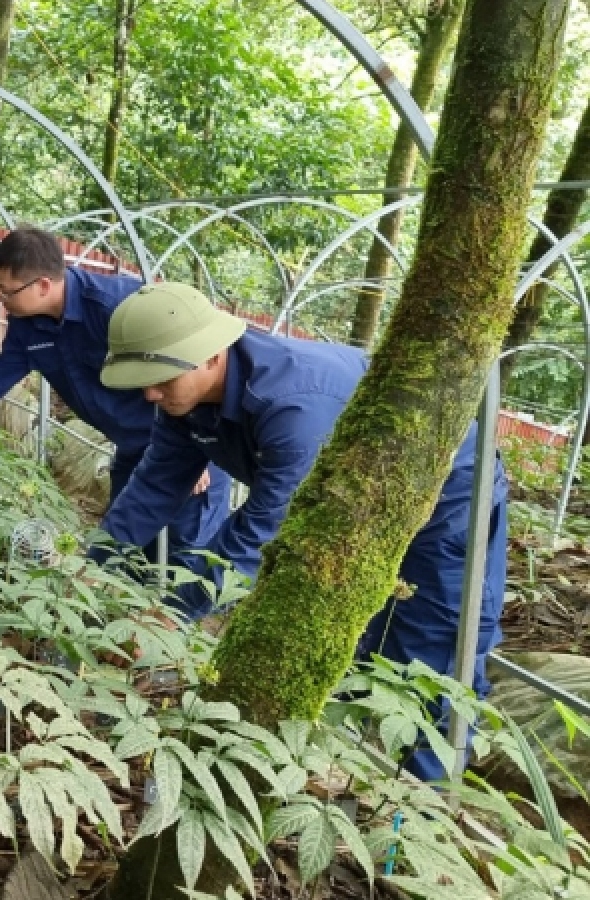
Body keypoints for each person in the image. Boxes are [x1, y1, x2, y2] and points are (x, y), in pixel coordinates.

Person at [93, 281, 508, 780]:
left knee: (434, 642)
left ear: (209, 356)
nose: (150, 393)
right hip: (353, 496)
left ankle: (422, 800)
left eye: (160, 379)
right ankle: (359, 765)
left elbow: (263, 528)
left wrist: (173, 613)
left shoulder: (294, 405)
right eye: (144, 381)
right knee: (364, 632)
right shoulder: (186, 402)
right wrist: (92, 566)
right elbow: (154, 486)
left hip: (446, 493)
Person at [0, 226, 229, 553]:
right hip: (133, 447)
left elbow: (190, 370)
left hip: (190, 444)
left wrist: (193, 451)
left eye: (7, 290)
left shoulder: (118, 306)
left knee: (188, 551)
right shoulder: (27, 326)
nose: (1, 299)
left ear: (44, 285)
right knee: (126, 548)